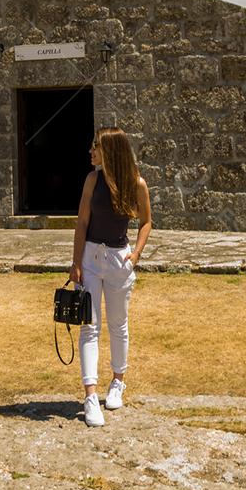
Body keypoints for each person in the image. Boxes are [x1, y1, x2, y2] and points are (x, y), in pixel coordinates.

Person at [69, 126, 152, 426]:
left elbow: (146, 222)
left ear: (111, 150)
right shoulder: (92, 180)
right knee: (89, 327)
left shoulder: (136, 183)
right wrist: (75, 263)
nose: (91, 151)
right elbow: (81, 223)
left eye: (96, 146)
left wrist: (136, 255)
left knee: (118, 325)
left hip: (119, 260)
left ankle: (118, 382)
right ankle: (90, 396)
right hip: (91, 258)